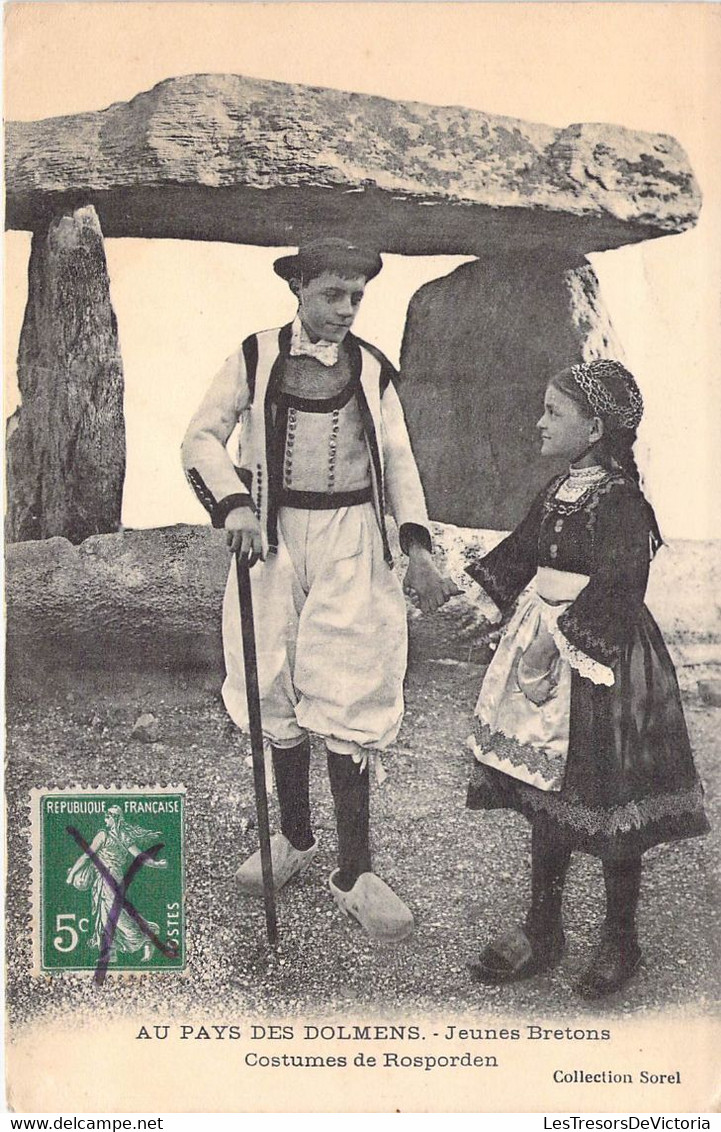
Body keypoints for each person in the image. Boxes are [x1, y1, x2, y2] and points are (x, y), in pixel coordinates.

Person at [181, 237, 458, 941]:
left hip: (351, 543)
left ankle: (355, 872)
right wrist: (233, 505)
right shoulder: (253, 356)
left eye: (356, 296)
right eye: (331, 294)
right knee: (271, 680)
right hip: (270, 541)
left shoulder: (370, 369)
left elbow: (397, 458)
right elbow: (201, 439)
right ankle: (294, 840)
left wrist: (417, 544)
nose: (344, 309)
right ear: (298, 289)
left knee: (349, 685)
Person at [463, 359, 709, 998]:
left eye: (554, 412)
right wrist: (485, 600)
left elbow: (620, 587)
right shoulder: (560, 486)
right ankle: (544, 928)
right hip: (544, 644)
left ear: (595, 426)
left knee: (606, 797)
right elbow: (523, 548)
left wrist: (552, 643)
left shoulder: (624, 503)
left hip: (602, 661)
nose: (539, 423)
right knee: (547, 789)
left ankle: (620, 938)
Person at [66, 806, 167, 964]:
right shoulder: (121, 836)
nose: (105, 819)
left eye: (108, 816)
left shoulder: (104, 835)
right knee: (105, 913)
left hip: (110, 877)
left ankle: (147, 936)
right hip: (107, 877)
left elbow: (87, 856)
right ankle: (109, 952)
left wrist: (72, 874)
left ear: (116, 818)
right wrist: (156, 864)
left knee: (117, 915)